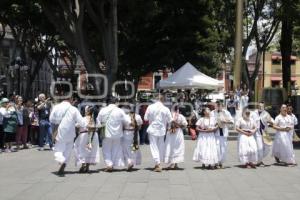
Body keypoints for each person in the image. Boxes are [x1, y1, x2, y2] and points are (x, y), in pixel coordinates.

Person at [49, 96, 87, 175]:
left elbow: (51, 119)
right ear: (70, 100)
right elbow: (81, 122)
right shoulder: (73, 109)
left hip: (59, 131)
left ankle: (61, 160)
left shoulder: (56, 107)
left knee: (59, 148)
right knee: (68, 150)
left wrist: (58, 121)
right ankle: (64, 163)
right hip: (70, 132)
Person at [96, 97, 130, 172]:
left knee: (106, 149)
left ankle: (109, 164)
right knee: (115, 149)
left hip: (106, 133)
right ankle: (113, 164)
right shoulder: (120, 110)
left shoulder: (103, 110)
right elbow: (127, 121)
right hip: (118, 133)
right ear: (116, 102)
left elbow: (98, 121)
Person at [144, 94, 172, 172]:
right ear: (162, 100)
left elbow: (145, 118)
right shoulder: (165, 108)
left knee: (153, 146)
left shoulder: (150, 107)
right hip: (162, 130)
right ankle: (158, 163)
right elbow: (170, 120)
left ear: (155, 99)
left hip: (152, 129)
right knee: (161, 146)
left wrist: (151, 118)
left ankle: (158, 163)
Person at [74, 106, 100, 173]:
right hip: (94, 135)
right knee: (90, 151)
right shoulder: (96, 119)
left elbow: (77, 125)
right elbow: (99, 126)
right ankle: (87, 167)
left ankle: (83, 165)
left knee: (81, 149)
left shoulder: (83, 118)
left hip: (84, 135)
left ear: (88, 111)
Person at [250, 102, 274, 166]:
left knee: (268, 147)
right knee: (260, 147)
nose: (260, 107)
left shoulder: (266, 114)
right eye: (259, 106)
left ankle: (259, 159)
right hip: (257, 133)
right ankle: (259, 161)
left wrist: (270, 121)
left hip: (265, 133)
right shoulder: (253, 113)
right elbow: (249, 121)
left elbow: (272, 122)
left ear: (264, 107)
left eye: (262, 106)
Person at [211, 101, 233, 168]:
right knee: (216, 148)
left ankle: (221, 162)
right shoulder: (212, 113)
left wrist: (225, 121)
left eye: (219, 105)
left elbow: (232, 121)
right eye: (217, 106)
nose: (218, 107)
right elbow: (210, 122)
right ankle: (216, 162)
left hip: (224, 133)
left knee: (223, 148)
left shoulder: (226, 112)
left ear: (222, 106)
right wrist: (216, 123)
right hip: (215, 133)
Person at [164, 105, 187, 169]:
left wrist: (176, 124)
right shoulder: (172, 116)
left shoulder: (171, 116)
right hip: (174, 133)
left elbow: (184, 125)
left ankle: (174, 163)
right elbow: (185, 125)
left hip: (174, 133)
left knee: (172, 146)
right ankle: (174, 163)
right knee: (175, 147)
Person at [121, 105, 143, 171]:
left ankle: (129, 162)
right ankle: (132, 161)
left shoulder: (124, 117)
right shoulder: (138, 116)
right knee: (134, 149)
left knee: (126, 149)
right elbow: (140, 127)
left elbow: (122, 127)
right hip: (135, 134)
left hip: (126, 134)